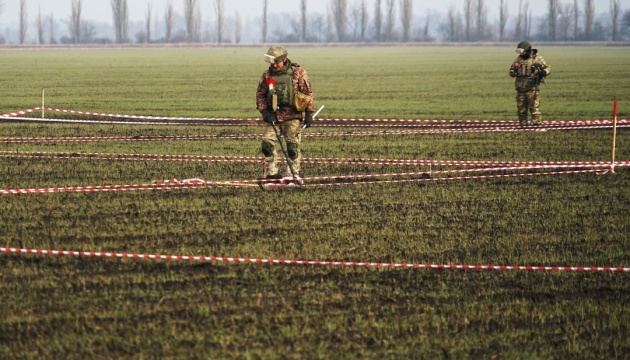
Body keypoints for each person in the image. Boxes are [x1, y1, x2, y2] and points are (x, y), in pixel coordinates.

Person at [256, 45, 314, 181]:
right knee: (266, 145)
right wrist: (264, 112)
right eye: (272, 63)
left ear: (284, 59)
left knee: (292, 148)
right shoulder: (267, 75)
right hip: (273, 116)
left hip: (293, 116)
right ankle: (272, 174)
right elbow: (260, 94)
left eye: (277, 62)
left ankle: (292, 175)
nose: (274, 65)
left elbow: (307, 93)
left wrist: (309, 113)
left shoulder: (298, 73)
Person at [509, 41, 551, 125]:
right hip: (520, 89)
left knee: (534, 110)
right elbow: (512, 70)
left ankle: (537, 126)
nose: (521, 53)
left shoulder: (537, 58)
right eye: (519, 52)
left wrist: (544, 72)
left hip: (532, 89)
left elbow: (548, 67)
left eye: (522, 51)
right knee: (521, 111)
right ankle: (523, 126)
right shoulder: (518, 59)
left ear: (527, 50)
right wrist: (513, 72)